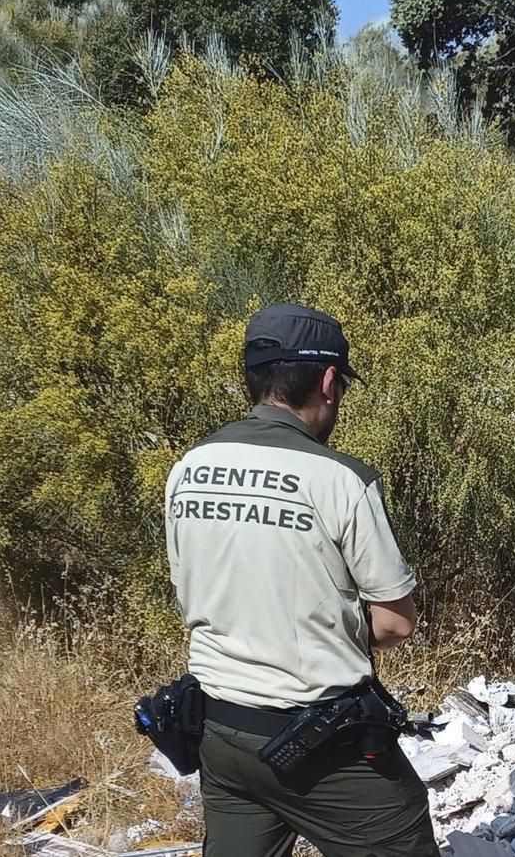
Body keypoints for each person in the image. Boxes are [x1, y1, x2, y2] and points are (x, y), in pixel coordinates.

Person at [165, 303, 439, 857]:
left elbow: (197, 595)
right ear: (330, 382)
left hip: (220, 734)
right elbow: (395, 621)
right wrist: (321, 625)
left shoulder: (188, 467)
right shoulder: (341, 480)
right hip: (321, 747)